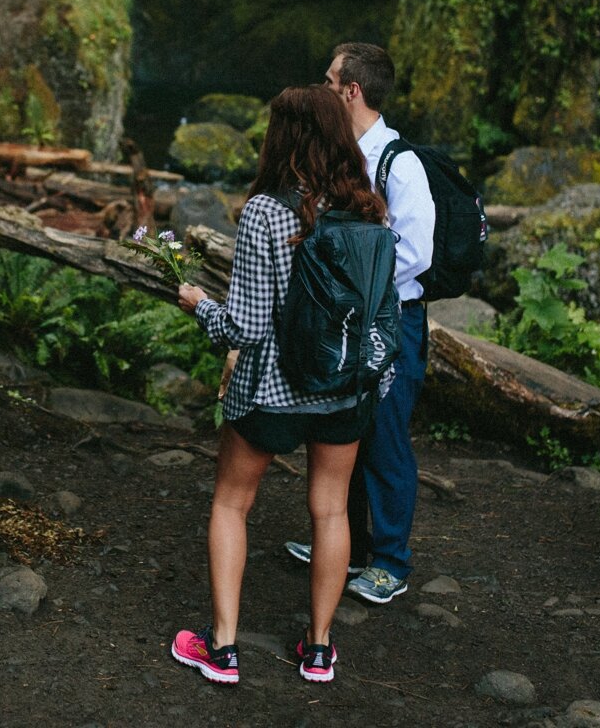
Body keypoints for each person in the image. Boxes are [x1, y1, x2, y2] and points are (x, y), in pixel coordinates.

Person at [171, 85, 387, 685]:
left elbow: (245, 324)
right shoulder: (369, 209)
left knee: (231, 504)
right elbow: (377, 311)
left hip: (273, 390)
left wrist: (199, 305)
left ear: (282, 139)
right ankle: (319, 650)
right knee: (331, 511)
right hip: (344, 390)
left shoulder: (267, 210)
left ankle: (222, 649)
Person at [282, 42, 434, 604]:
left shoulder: (400, 162)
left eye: (328, 80)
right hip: (344, 316)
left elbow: (417, 251)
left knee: (386, 435)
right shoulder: (339, 153)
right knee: (342, 424)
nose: (322, 88)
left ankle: (391, 561)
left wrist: (353, 276)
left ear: (351, 90)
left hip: (393, 320)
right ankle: (340, 544)